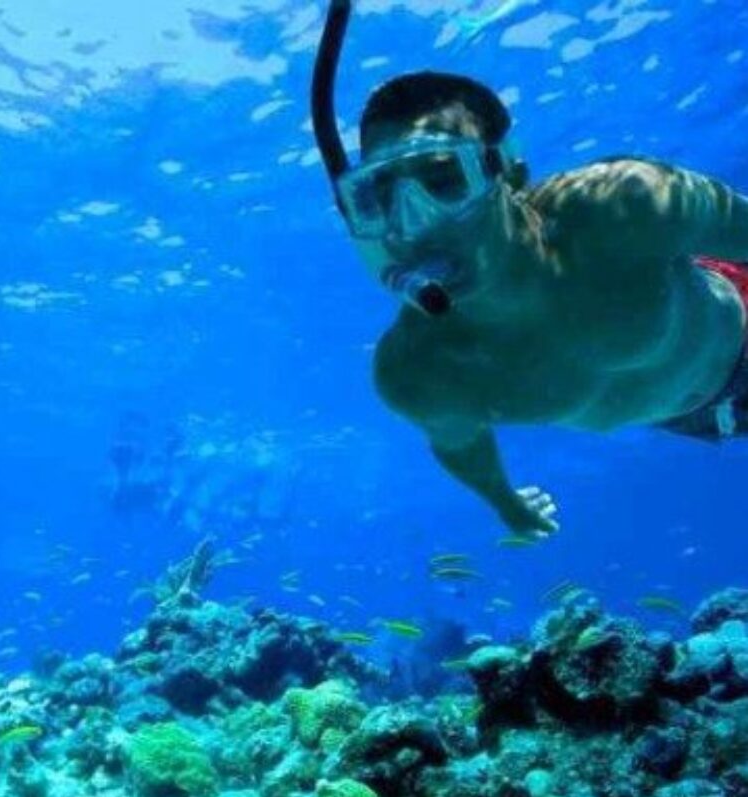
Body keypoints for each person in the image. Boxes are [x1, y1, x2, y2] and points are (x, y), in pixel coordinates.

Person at [312, 1, 748, 540]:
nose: (416, 224)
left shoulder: (627, 206)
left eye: (444, 179)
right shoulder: (417, 372)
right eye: (381, 197)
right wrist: (507, 505)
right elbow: (459, 442)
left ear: (509, 172)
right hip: (700, 422)